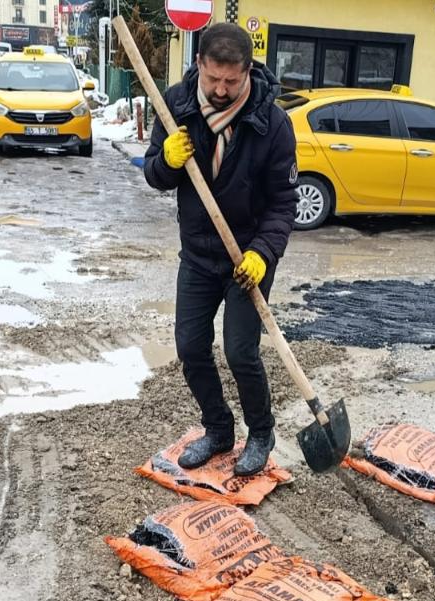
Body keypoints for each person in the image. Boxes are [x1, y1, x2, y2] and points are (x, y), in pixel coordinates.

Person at [143, 23, 297, 476]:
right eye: (213, 79)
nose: (222, 90)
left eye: (232, 81)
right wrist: (166, 160)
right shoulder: (176, 104)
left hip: (247, 259)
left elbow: (283, 203)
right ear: (199, 66)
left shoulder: (272, 123)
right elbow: (155, 175)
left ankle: (261, 432)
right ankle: (217, 430)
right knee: (190, 346)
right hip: (197, 254)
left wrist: (262, 253)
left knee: (240, 351)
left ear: (247, 71)